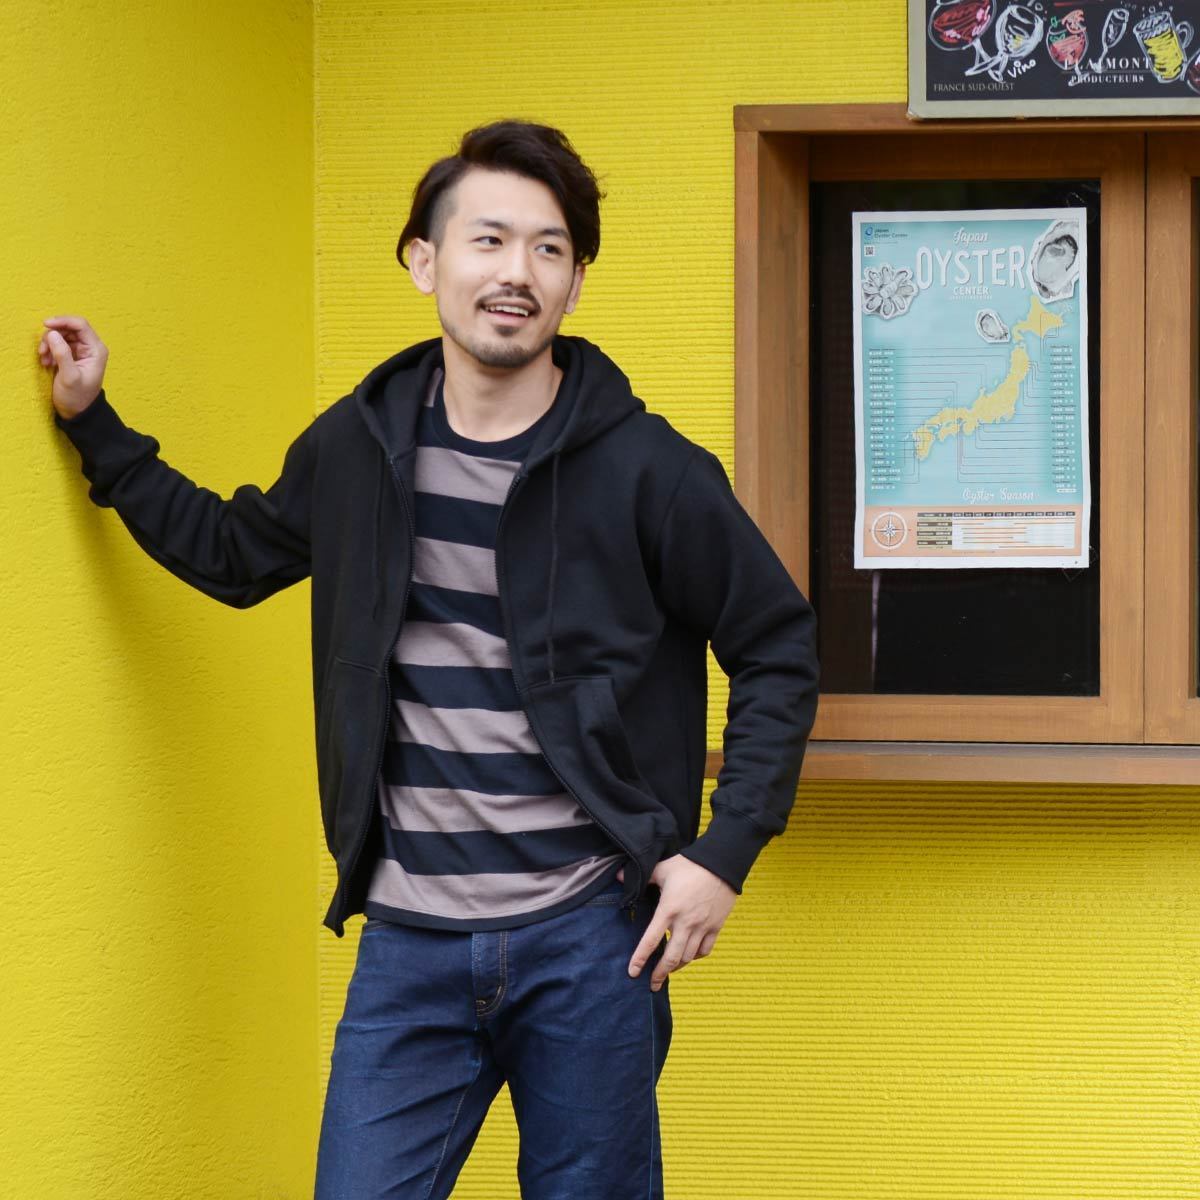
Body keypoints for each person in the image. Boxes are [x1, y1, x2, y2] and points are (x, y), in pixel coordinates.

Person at [41, 119, 819, 1200]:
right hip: (408, 942)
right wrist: (97, 428)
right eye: (488, 240)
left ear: (575, 283)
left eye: (549, 249)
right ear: (423, 260)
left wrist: (724, 852)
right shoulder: (360, 449)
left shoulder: (649, 469)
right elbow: (232, 553)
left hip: (590, 939)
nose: (517, 272)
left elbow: (776, 643)